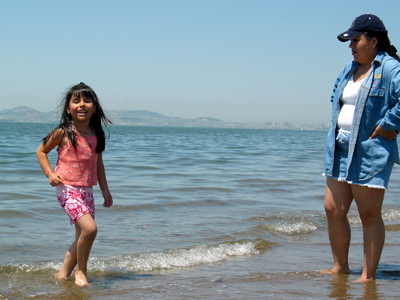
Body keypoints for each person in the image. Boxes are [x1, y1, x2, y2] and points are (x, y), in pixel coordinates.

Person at [323, 14, 400, 282]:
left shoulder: (390, 68)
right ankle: (340, 267)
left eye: (356, 39)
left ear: (374, 40)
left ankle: (368, 276)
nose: (351, 45)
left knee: (368, 214)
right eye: (351, 40)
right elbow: (339, 98)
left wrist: (390, 124)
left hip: (369, 149)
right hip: (340, 146)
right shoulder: (349, 67)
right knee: (333, 209)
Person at [36, 82, 113, 286]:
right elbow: (41, 151)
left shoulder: (97, 135)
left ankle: (62, 276)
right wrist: (50, 175)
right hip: (67, 190)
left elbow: (99, 164)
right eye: (76, 100)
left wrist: (105, 190)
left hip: (87, 191)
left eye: (87, 100)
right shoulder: (63, 132)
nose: (82, 104)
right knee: (90, 230)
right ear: (68, 108)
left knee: (81, 236)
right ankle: (81, 271)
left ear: (94, 107)